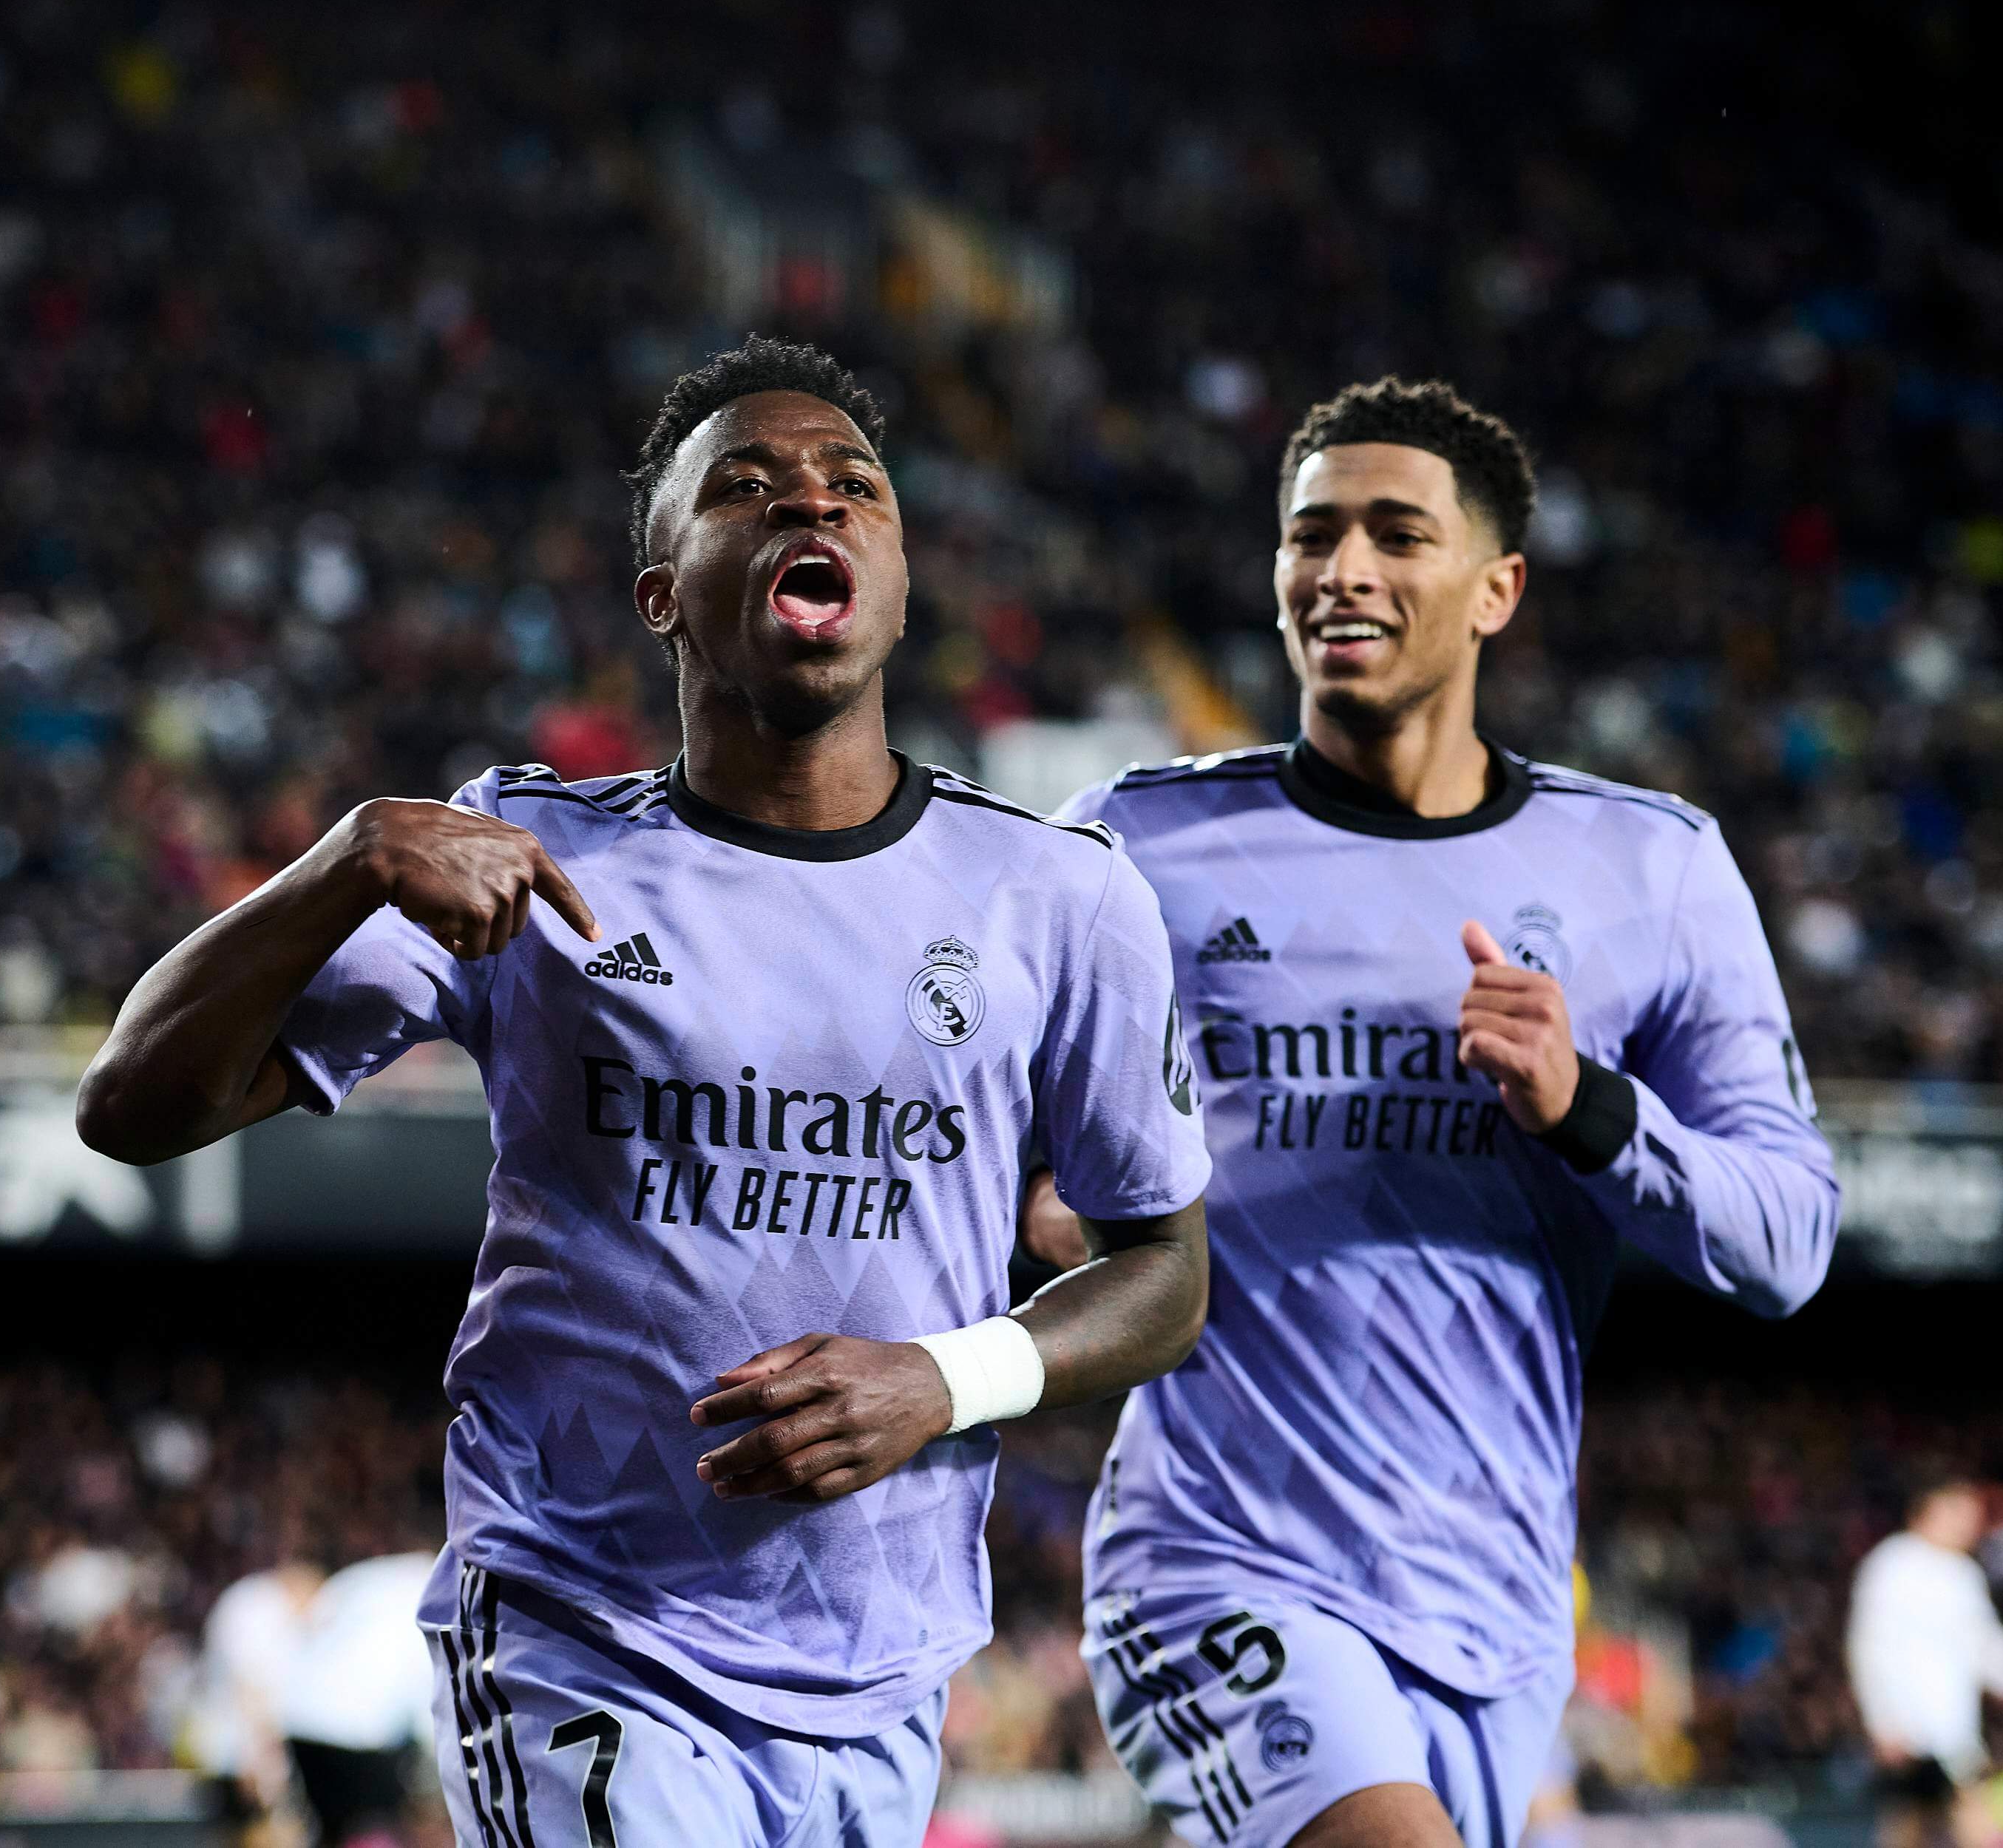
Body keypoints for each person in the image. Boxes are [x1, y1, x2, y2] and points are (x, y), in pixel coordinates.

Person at [79, 337, 1214, 1848]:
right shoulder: (536, 859)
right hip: (579, 1626)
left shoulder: (1056, 895)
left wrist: (944, 1379)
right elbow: (132, 1105)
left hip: (880, 1665)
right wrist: (348, 857)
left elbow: (1165, 1271)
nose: (808, 503)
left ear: (893, 573)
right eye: (744, 486)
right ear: (663, 589)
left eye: (850, 486)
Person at [1029, 378, 1843, 1848]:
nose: (1338, 568)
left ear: (1493, 589)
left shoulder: (1645, 866)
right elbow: (990, 1156)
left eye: (1394, 534)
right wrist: (1059, 1207)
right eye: (1309, 533)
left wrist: (1584, 1105)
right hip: (1219, 1557)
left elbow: (1783, 1240)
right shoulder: (1129, 842)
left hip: (1495, 1601)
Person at [1848, 1476, 2003, 1848]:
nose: (1970, 1524)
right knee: (1954, 1824)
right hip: (1911, 1732)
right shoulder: (1892, 1565)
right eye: (1960, 1513)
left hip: (1949, 1733)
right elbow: (1868, 1647)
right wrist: (1883, 1721)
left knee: (1921, 1828)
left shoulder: (1962, 1574)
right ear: (1927, 1511)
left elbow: (1987, 1650)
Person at [277, 1551, 438, 1848]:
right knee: (377, 1823)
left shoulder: (365, 1577)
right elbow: (425, 1690)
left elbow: (310, 1627)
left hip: (300, 1719)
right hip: (362, 1734)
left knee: (329, 1829)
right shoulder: (434, 1593)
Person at [194, 1559, 325, 1848]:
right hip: (243, 1757)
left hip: (228, 1752)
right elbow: (251, 1691)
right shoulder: (260, 1608)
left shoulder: (249, 1601)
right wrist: (263, 1765)